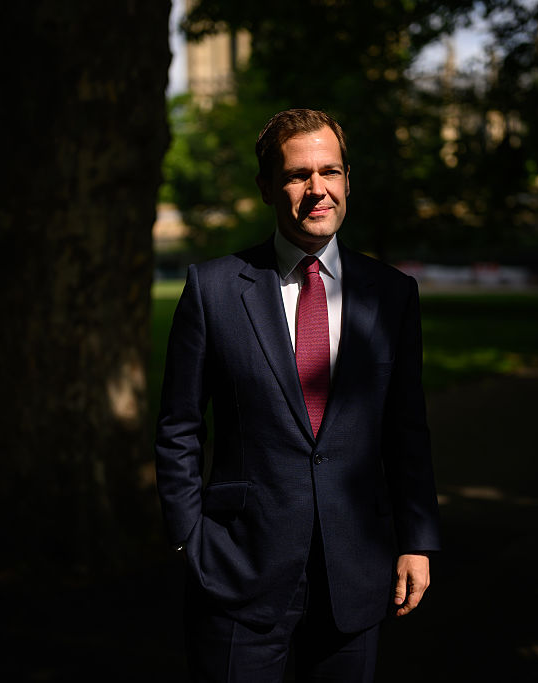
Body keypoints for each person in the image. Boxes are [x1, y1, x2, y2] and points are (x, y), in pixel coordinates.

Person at [155, 108, 441, 682]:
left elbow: (406, 429)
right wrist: (190, 538)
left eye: (330, 171)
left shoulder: (392, 295)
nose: (318, 189)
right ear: (267, 187)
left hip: (355, 574)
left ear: (347, 180)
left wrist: (417, 540)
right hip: (238, 574)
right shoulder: (213, 290)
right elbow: (179, 426)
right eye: (297, 175)